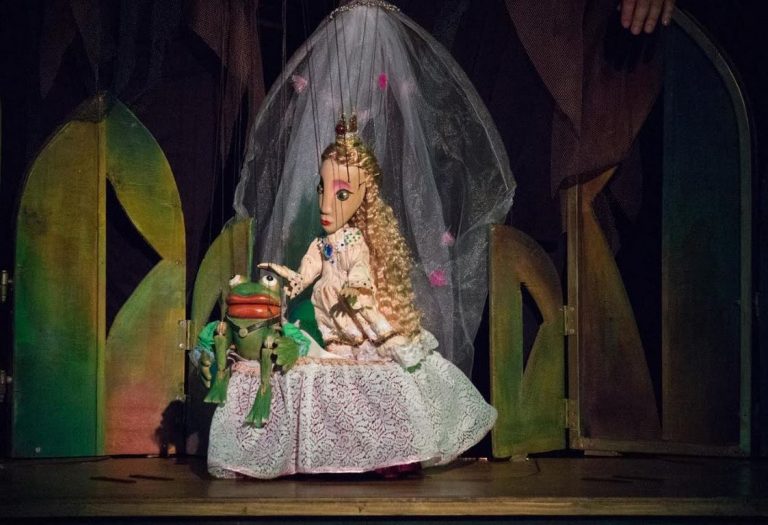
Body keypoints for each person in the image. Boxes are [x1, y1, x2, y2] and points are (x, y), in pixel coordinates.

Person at [205, 116, 497, 479]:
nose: (326, 205)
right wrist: (282, 281)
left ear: (362, 198)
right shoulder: (319, 246)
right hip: (331, 334)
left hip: (358, 327)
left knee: (378, 377)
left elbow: (359, 270)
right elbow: (303, 277)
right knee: (318, 374)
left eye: (341, 194)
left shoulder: (355, 242)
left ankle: (391, 450)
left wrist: (355, 290)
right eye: (322, 189)